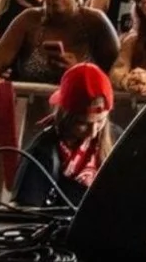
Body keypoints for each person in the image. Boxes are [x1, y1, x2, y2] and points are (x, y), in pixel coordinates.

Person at [13, 63, 115, 209]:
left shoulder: (116, 139)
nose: (93, 132)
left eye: (100, 121)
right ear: (66, 114)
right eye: (82, 123)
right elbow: (25, 211)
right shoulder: (42, 151)